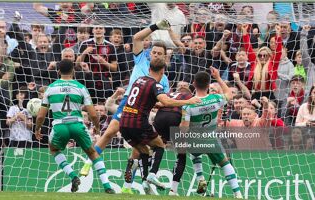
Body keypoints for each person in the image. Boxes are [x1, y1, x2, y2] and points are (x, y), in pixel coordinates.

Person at [80, 19, 171, 177]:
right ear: (150, 53)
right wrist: (156, 26)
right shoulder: (141, 59)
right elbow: (137, 38)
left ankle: (129, 178)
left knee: (140, 146)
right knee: (110, 132)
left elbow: (164, 100)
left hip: (144, 111)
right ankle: (89, 162)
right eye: (154, 52)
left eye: (159, 54)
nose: (156, 55)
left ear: (164, 57)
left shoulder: (164, 79)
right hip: (129, 102)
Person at [34, 59, 115, 194]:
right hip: (77, 125)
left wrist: (37, 129)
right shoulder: (80, 87)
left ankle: (73, 176)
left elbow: (41, 116)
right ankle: (107, 186)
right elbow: (93, 114)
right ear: (73, 71)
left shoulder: (51, 89)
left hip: (60, 126)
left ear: (58, 71)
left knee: (54, 150)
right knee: (93, 153)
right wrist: (96, 127)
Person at [119, 58, 199, 193]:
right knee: (159, 145)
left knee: (144, 150)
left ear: (149, 69)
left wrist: (154, 104)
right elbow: (166, 101)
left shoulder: (138, 81)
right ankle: (152, 175)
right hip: (138, 122)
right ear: (162, 72)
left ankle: (144, 181)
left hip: (124, 122)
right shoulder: (156, 85)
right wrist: (189, 101)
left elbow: (143, 100)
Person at [180, 67, 242, 198]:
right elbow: (230, 94)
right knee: (225, 163)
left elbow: (184, 128)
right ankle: (238, 194)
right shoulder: (215, 99)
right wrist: (218, 78)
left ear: (194, 84)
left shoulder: (188, 105)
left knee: (194, 154)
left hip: (195, 139)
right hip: (211, 139)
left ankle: (200, 177)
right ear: (209, 85)